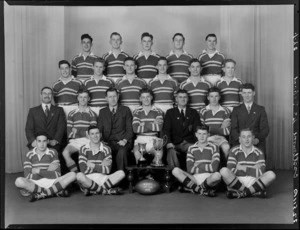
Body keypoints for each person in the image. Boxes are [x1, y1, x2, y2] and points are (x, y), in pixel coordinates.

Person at [15, 132, 76, 202]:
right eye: (39, 141)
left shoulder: (53, 152)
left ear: (47, 141)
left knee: (73, 175)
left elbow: (57, 175)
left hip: (52, 182)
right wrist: (48, 171)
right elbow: (28, 176)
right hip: (35, 183)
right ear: (35, 142)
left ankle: (40, 193)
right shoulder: (29, 154)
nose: (42, 144)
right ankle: (54, 192)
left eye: (44, 141)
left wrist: (38, 171)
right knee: (18, 181)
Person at [220, 128, 276, 199]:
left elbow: (261, 172)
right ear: (240, 139)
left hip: (254, 182)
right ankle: (252, 192)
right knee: (223, 171)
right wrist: (253, 168)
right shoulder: (233, 151)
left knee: (271, 175)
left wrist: (242, 168)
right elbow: (230, 169)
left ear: (253, 138)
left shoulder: (259, 152)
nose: (246, 139)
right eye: (243, 137)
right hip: (237, 181)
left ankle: (242, 193)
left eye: (249, 136)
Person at [172, 125, 221, 197]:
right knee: (175, 170)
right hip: (195, 178)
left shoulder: (214, 147)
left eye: (204, 134)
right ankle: (201, 190)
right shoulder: (191, 148)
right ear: (196, 135)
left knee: (217, 175)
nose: (202, 136)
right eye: (199, 134)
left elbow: (214, 168)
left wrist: (198, 165)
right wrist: (208, 166)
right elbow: (190, 169)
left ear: (208, 135)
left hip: (209, 178)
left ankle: (194, 188)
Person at [76, 125, 125, 196]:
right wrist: (100, 166)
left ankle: (94, 190)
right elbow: (83, 170)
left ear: (100, 135)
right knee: (79, 175)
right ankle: (105, 191)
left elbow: (107, 170)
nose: (95, 136)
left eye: (97, 133)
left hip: (103, 178)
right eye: (92, 134)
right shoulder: (83, 148)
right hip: (88, 179)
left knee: (121, 173)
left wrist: (93, 165)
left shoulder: (107, 149)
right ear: (88, 136)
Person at [163, 89, 201, 169]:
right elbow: (166, 130)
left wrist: (198, 143)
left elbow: (197, 129)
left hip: (189, 142)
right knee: (171, 152)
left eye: (185, 97)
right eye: (180, 97)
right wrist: (169, 143)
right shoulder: (170, 112)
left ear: (188, 99)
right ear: (176, 99)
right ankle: (176, 175)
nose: (183, 99)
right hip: (174, 143)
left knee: (195, 150)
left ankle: (191, 175)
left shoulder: (193, 112)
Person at [97, 87, 134, 171]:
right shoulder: (102, 111)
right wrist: (101, 141)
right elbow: (99, 130)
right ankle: (105, 178)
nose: (112, 99)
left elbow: (130, 129)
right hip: (108, 142)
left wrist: (125, 140)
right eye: (110, 97)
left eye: (114, 96)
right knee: (101, 151)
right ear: (106, 98)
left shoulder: (126, 110)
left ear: (118, 96)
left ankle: (121, 177)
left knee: (122, 152)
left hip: (123, 141)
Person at [62, 89, 97, 173]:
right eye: (80, 97)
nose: (83, 99)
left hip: (87, 141)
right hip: (74, 141)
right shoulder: (71, 113)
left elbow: (92, 134)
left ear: (89, 99)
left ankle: (87, 178)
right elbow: (69, 133)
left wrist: (77, 131)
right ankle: (76, 175)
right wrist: (84, 132)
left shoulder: (92, 114)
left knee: (89, 158)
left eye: (85, 97)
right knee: (65, 153)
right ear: (77, 98)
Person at [25, 86, 66, 157]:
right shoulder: (33, 111)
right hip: (37, 143)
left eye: (49, 93)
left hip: (53, 143)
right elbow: (28, 128)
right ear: (41, 95)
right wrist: (32, 141)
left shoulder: (59, 110)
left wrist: (56, 140)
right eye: (44, 93)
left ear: (52, 96)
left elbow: (61, 127)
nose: (47, 95)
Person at [230, 83, 269, 154]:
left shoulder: (260, 109)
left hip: (256, 141)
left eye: (249, 93)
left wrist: (257, 139)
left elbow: (265, 129)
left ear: (254, 93)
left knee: (260, 155)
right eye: (244, 93)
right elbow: (233, 128)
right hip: (240, 141)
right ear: (241, 94)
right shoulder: (236, 110)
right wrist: (241, 139)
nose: (247, 95)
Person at [132, 88, 164, 164]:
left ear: (151, 97)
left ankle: (152, 174)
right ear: (140, 99)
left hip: (154, 139)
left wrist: (143, 124)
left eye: (148, 97)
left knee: (158, 155)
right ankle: (143, 174)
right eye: (143, 97)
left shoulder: (158, 111)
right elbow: (135, 129)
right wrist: (152, 123)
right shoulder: (136, 112)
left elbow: (159, 128)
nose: (146, 99)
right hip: (140, 139)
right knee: (137, 154)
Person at [199, 87, 231, 161]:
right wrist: (221, 128)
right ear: (208, 98)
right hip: (208, 138)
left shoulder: (226, 110)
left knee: (227, 148)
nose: (214, 99)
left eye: (216, 96)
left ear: (219, 97)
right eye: (211, 96)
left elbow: (227, 131)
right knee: (212, 148)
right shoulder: (203, 111)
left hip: (221, 138)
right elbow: (202, 129)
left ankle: (226, 168)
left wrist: (210, 128)